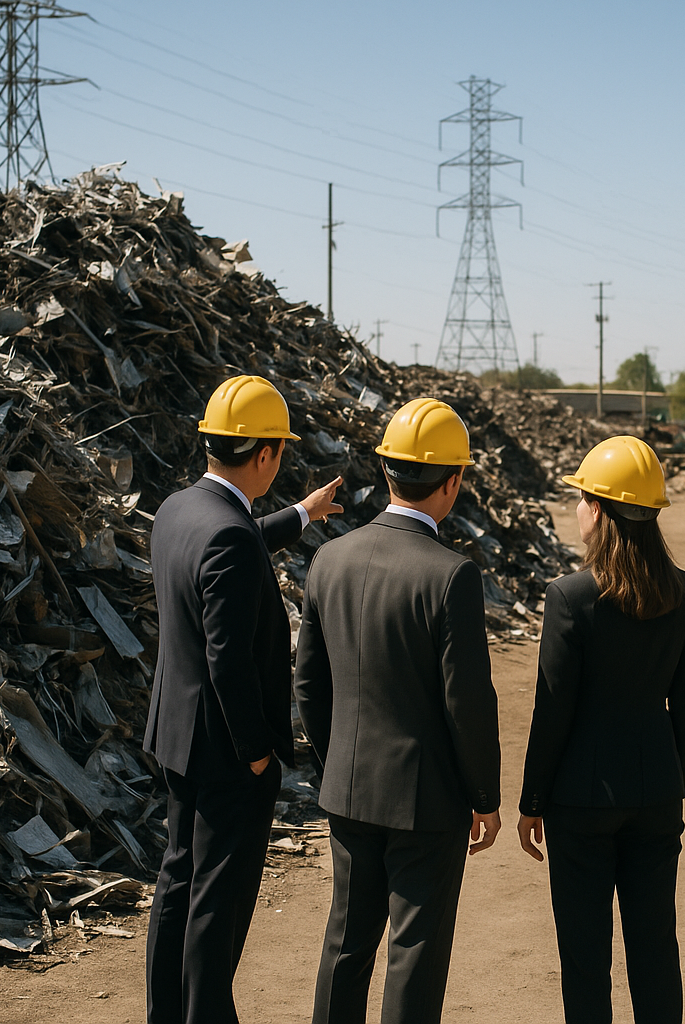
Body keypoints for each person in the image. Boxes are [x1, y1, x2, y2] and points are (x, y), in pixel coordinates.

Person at [294, 397, 501, 1024]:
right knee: (414, 952)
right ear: (454, 480)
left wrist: (340, 764)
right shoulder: (450, 575)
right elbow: (466, 702)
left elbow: (309, 684)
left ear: (387, 471)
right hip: (426, 801)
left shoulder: (329, 558)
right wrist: (483, 797)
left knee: (345, 945)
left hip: (350, 789)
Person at [144, 374, 344, 1024]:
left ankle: (167, 1013)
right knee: (218, 899)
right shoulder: (229, 535)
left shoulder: (180, 510)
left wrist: (303, 513)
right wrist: (258, 753)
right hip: (228, 751)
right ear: (265, 455)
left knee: (178, 881)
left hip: (177, 734)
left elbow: (235, 541)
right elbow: (227, 659)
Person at [517, 435, 685, 1024]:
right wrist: (672, 778)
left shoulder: (570, 597)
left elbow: (553, 711)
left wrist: (533, 800)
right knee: (655, 948)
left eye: (580, 498)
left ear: (598, 508)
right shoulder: (682, 589)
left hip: (582, 800)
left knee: (585, 955)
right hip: (655, 792)